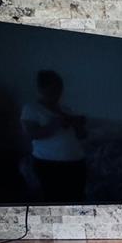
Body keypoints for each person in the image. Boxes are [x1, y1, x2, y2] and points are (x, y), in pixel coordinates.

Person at [21, 70, 88, 202]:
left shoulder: (66, 109)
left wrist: (78, 125)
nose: (57, 93)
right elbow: (31, 134)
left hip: (76, 163)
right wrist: (56, 124)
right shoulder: (31, 108)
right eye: (52, 89)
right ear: (41, 89)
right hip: (50, 165)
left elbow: (82, 136)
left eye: (59, 88)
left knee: (77, 200)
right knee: (54, 201)